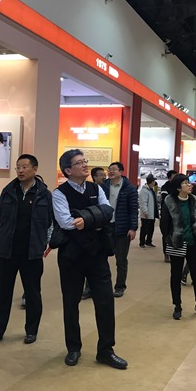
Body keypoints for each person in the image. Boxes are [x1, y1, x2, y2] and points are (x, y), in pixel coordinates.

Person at [53, 149, 128, 369]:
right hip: (71, 256)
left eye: (84, 161)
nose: (85, 165)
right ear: (68, 170)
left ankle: (106, 350)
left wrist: (84, 219)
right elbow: (66, 222)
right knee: (71, 303)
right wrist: (95, 218)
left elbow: (108, 212)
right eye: (79, 163)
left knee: (105, 302)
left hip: (97, 254)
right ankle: (73, 348)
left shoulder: (96, 188)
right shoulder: (59, 193)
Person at [0, 154, 53, 347]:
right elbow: (1, 217)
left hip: (32, 253)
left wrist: (45, 243)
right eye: (18, 167)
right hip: (7, 251)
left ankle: (31, 331)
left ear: (35, 169)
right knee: (1, 294)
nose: (20, 171)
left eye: (24, 167)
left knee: (32, 293)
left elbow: (50, 221)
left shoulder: (44, 194)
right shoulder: (8, 191)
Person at [160, 174, 196, 321]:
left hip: (193, 242)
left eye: (189, 182)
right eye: (185, 183)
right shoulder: (169, 201)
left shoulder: (193, 200)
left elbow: (195, 218)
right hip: (177, 243)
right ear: (178, 187)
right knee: (176, 275)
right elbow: (164, 224)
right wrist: (170, 239)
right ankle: (177, 305)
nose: (189, 185)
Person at [101, 162, 139, 298]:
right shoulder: (103, 187)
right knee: (98, 258)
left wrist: (133, 228)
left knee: (121, 260)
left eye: (114, 169)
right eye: (109, 169)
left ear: (121, 172)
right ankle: (93, 287)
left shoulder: (129, 188)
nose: (111, 172)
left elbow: (133, 210)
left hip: (122, 228)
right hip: (105, 227)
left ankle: (120, 287)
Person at [82, 167, 107, 300]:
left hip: (103, 230)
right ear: (94, 177)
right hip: (87, 230)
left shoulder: (105, 189)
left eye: (104, 174)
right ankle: (88, 287)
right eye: (101, 175)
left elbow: (107, 209)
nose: (104, 177)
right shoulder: (88, 190)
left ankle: (97, 287)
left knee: (100, 262)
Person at [160, 170, 178, 263]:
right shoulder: (165, 187)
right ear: (169, 177)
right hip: (166, 213)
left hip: (176, 214)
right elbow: (165, 199)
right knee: (166, 233)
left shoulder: (178, 187)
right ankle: (166, 253)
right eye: (174, 176)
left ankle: (174, 252)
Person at [138, 174, 158, 248]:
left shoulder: (151, 190)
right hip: (146, 214)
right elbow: (143, 203)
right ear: (151, 181)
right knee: (144, 228)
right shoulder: (144, 191)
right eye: (154, 181)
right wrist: (145, 212)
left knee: (151, 228)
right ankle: (142, 242)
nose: (154, 182)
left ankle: (149, 241)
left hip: (152, 213)